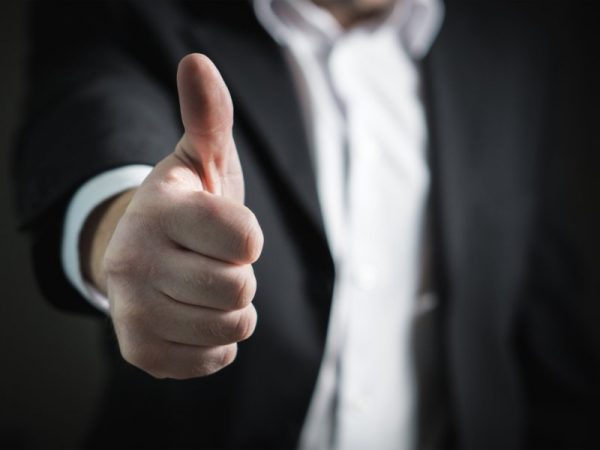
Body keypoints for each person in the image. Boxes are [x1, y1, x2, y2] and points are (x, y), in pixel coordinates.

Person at [14, 0, 599, 449]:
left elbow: (546, 333)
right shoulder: (136, 12)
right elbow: (95, 129)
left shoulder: (517, 38)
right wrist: (125, 236)